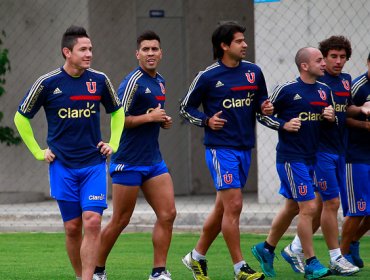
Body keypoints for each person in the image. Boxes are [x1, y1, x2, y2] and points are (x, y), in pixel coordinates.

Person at [14, 26, 125, 280]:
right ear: (67, 52)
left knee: (93, 221)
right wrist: (38, 152)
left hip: (93, 165)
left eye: (90, 49)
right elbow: (21, 118)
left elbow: (117, 112)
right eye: (83, 49)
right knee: (73, 227)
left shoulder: (99, 80)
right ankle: (79, 276)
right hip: (62, 166)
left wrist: (113, 144)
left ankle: (88, 278)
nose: (89, 54)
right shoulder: (47, 83)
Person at [180, 22, 273, 280]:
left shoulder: (254, 72)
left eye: (244, 41)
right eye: (239, 41)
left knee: (223, 209)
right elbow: (185, 109)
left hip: (245, 148)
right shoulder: (207, 76)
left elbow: (261, 106)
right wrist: (207, 121)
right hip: (221, 149)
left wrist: (267, 110)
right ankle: (239, 268)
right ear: (224, 46)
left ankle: (195, 257)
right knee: (235, 205)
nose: (245, 45)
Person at [93, 30, 176, 280]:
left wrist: (160, 120)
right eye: (146, 49)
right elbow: (119, 120)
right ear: (137, 53)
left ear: (161, 53)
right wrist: (149, 117)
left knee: (168, 214)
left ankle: (158, 272)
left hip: (153, 161)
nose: (150, 53)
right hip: (128, 161)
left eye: (155, 49)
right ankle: (96, 270)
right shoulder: (132, 82)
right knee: (120, 220)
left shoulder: (160, 80)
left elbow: (151, 113)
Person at [252, 47, 335, 279]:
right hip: (291, 158)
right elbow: (262, 114)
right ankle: (310, 262)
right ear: (304, 66)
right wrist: (283, 124)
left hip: (312, 158)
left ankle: (266, 248)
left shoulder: (324, 91)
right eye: (319, 60)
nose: (324, 63)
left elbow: (328, 125)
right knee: (309, 207)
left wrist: (331, 117)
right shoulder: (287, 90)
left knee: (291, 207)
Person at [280, 36, 359, 276]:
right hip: (319, 151)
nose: (337, 62)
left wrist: (361, 110)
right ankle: (336, 257)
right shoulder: (315, 83)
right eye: (332, 57)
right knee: (329, 203)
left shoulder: (345, 81)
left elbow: (344, 110)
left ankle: (292, 248)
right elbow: (281, 109)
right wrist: (279, 119)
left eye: (342, 57)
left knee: (309, 207)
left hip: (339, 149)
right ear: (321, 60)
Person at [340, 52, 370, 267]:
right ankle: (340, 258)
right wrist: (363, 124)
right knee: (358, 209)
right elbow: (342, 116)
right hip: (356, 155)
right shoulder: (357, 86)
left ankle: (352, 242)